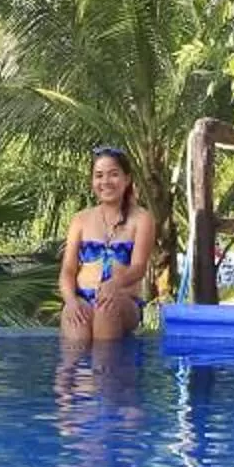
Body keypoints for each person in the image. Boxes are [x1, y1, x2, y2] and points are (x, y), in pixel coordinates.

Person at [57, 146, 157, 342]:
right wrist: (71, 301)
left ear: (127, 179)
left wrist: (114, 285)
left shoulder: (142, 219)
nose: (105, 182)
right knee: (75, 340)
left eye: (113, 174)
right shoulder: (80, 219)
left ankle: (107, 370)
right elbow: (67, 270)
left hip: (122, 299)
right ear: (92, 181)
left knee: (106, 309)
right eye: (99, 175)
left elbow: (138, 268)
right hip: (82, 298)